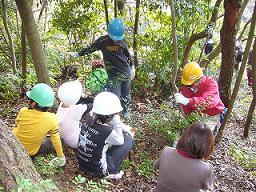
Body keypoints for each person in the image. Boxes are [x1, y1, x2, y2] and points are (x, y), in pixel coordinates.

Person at [68, 18, 135, 119]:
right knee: (114, 96)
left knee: (126, 93)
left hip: (125, 71)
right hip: (113, 74)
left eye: (118, 38)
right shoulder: (102, 41)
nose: (116, 40)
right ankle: (112, 117)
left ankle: (126, 111)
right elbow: (90, 49)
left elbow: (128, 55)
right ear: (109, 32)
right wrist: (78, 54)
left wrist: (132, 67)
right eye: (114, 37)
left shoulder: (122, 40)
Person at [77, 91, 135, 179]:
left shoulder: (88, 120)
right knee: (128, 139)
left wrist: (120, 124)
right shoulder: (106, 131)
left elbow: (103, 126)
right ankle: (113, 171)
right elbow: (120, 141)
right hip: (98, 169)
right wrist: (117, 122)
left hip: (82, 164)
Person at [12, 83, 66, 167]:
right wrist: (61, 156)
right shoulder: (52, 118)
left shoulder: (23, 111)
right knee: (61, 141)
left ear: (34, 103)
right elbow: (55, 139)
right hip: (31, 152)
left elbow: (17, 125)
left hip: (15, 146)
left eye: (30, 99)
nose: (28, 101)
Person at [153, 122, 214, 192]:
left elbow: (156, 166)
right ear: (207, 146)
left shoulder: (166, 151)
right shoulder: (206, 169)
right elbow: (205, 188)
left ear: (185, 136)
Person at [174, 62, 225, 133]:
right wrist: (186, 117)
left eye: (191, 84)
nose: (189, 86)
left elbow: (207, 102)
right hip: (196, 114)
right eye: (188, 85)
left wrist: (188, 101)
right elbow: (186, 109)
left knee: (203, 135)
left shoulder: (210, 83)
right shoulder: (186, 87)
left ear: (199, 79)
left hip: (211, 116)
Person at [56, 80, 92, 148]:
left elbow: (75, 102)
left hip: (61, 137)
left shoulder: (62, 103)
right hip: (75, 141)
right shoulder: (77, 109)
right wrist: (86, 97)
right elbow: (92, 104)